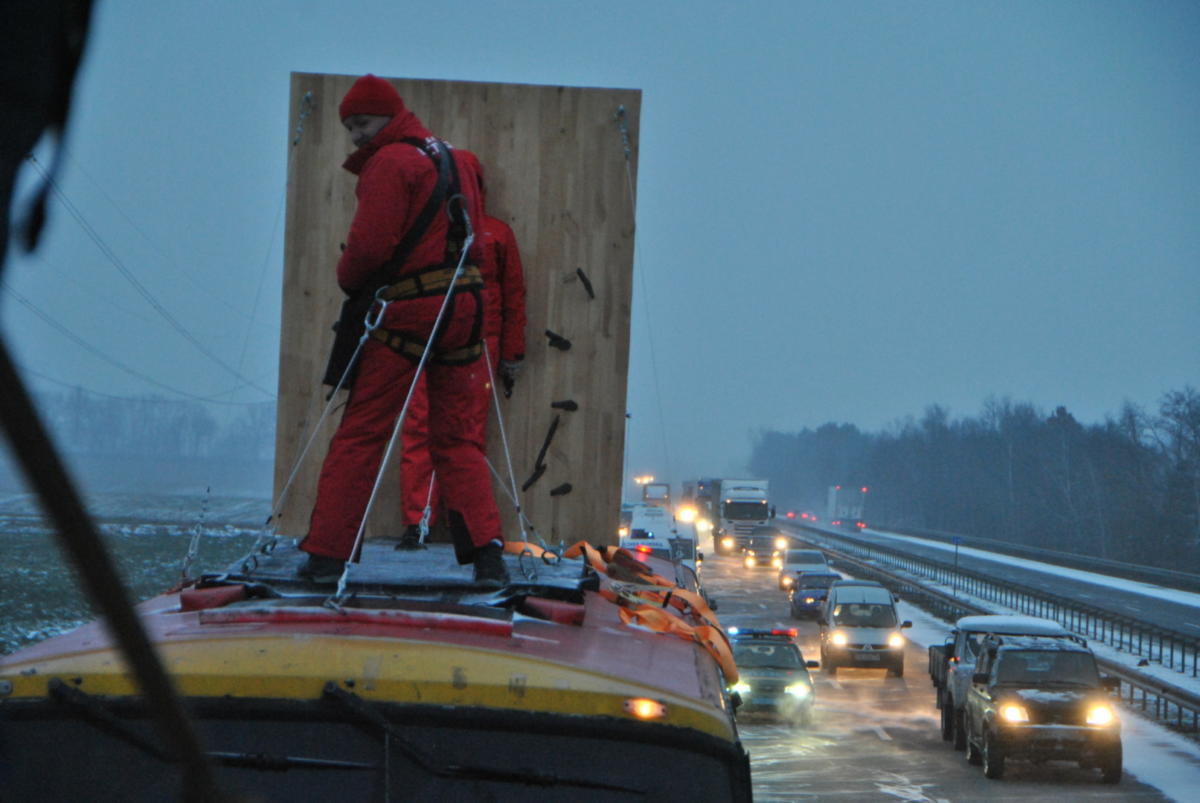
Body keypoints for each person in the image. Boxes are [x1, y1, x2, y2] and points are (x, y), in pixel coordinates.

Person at [299, 74, 507, 587]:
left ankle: (327, 557)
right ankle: (488, 557)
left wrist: (348, 279)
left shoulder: (390, 163)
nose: (356, 135)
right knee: (458, 440)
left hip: (410, 310)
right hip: (466, 308)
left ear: (390, 118)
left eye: (362, 123)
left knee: (363, 433)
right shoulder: (457, 159)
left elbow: (368, 249)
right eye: (350, 126)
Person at [397, 150, 527, 549]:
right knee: (420, 430)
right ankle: (421, 522)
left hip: (476, 345)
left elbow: (514, 296)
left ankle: (466, 526)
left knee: (463, 437)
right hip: (427, 341)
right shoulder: (425, 232)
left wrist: (512, 353)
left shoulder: (496, 234)